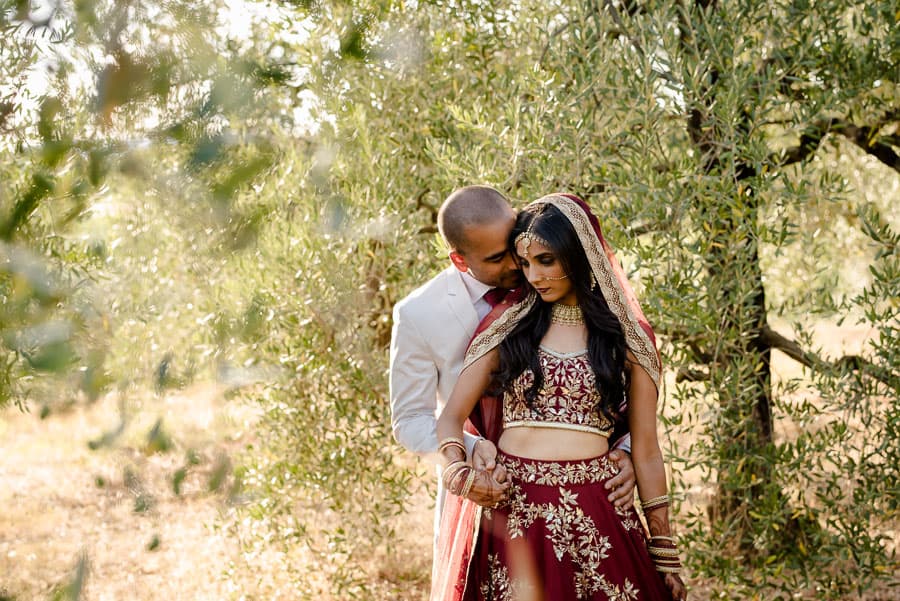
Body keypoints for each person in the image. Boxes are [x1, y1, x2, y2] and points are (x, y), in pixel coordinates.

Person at [434, 193, 687, 601]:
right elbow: (450, 418)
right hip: (514, 512)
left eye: (546, 261)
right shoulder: (507, 328)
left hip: (598, 514)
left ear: (579, 254)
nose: (534, 276)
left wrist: (665, 553)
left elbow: (647, 451)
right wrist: (457, 473)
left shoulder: (627, 338)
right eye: (526, 263)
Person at [389, 186, 638, 556]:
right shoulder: (418, 314)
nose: (515, 265)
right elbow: (409, 419)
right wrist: (470, 454)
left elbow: (616, 368)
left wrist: (627, 450)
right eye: (497, 258)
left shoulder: (547, 275)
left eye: (515, 248)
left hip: (582, 491)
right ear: (460, 261)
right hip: (484, 489)